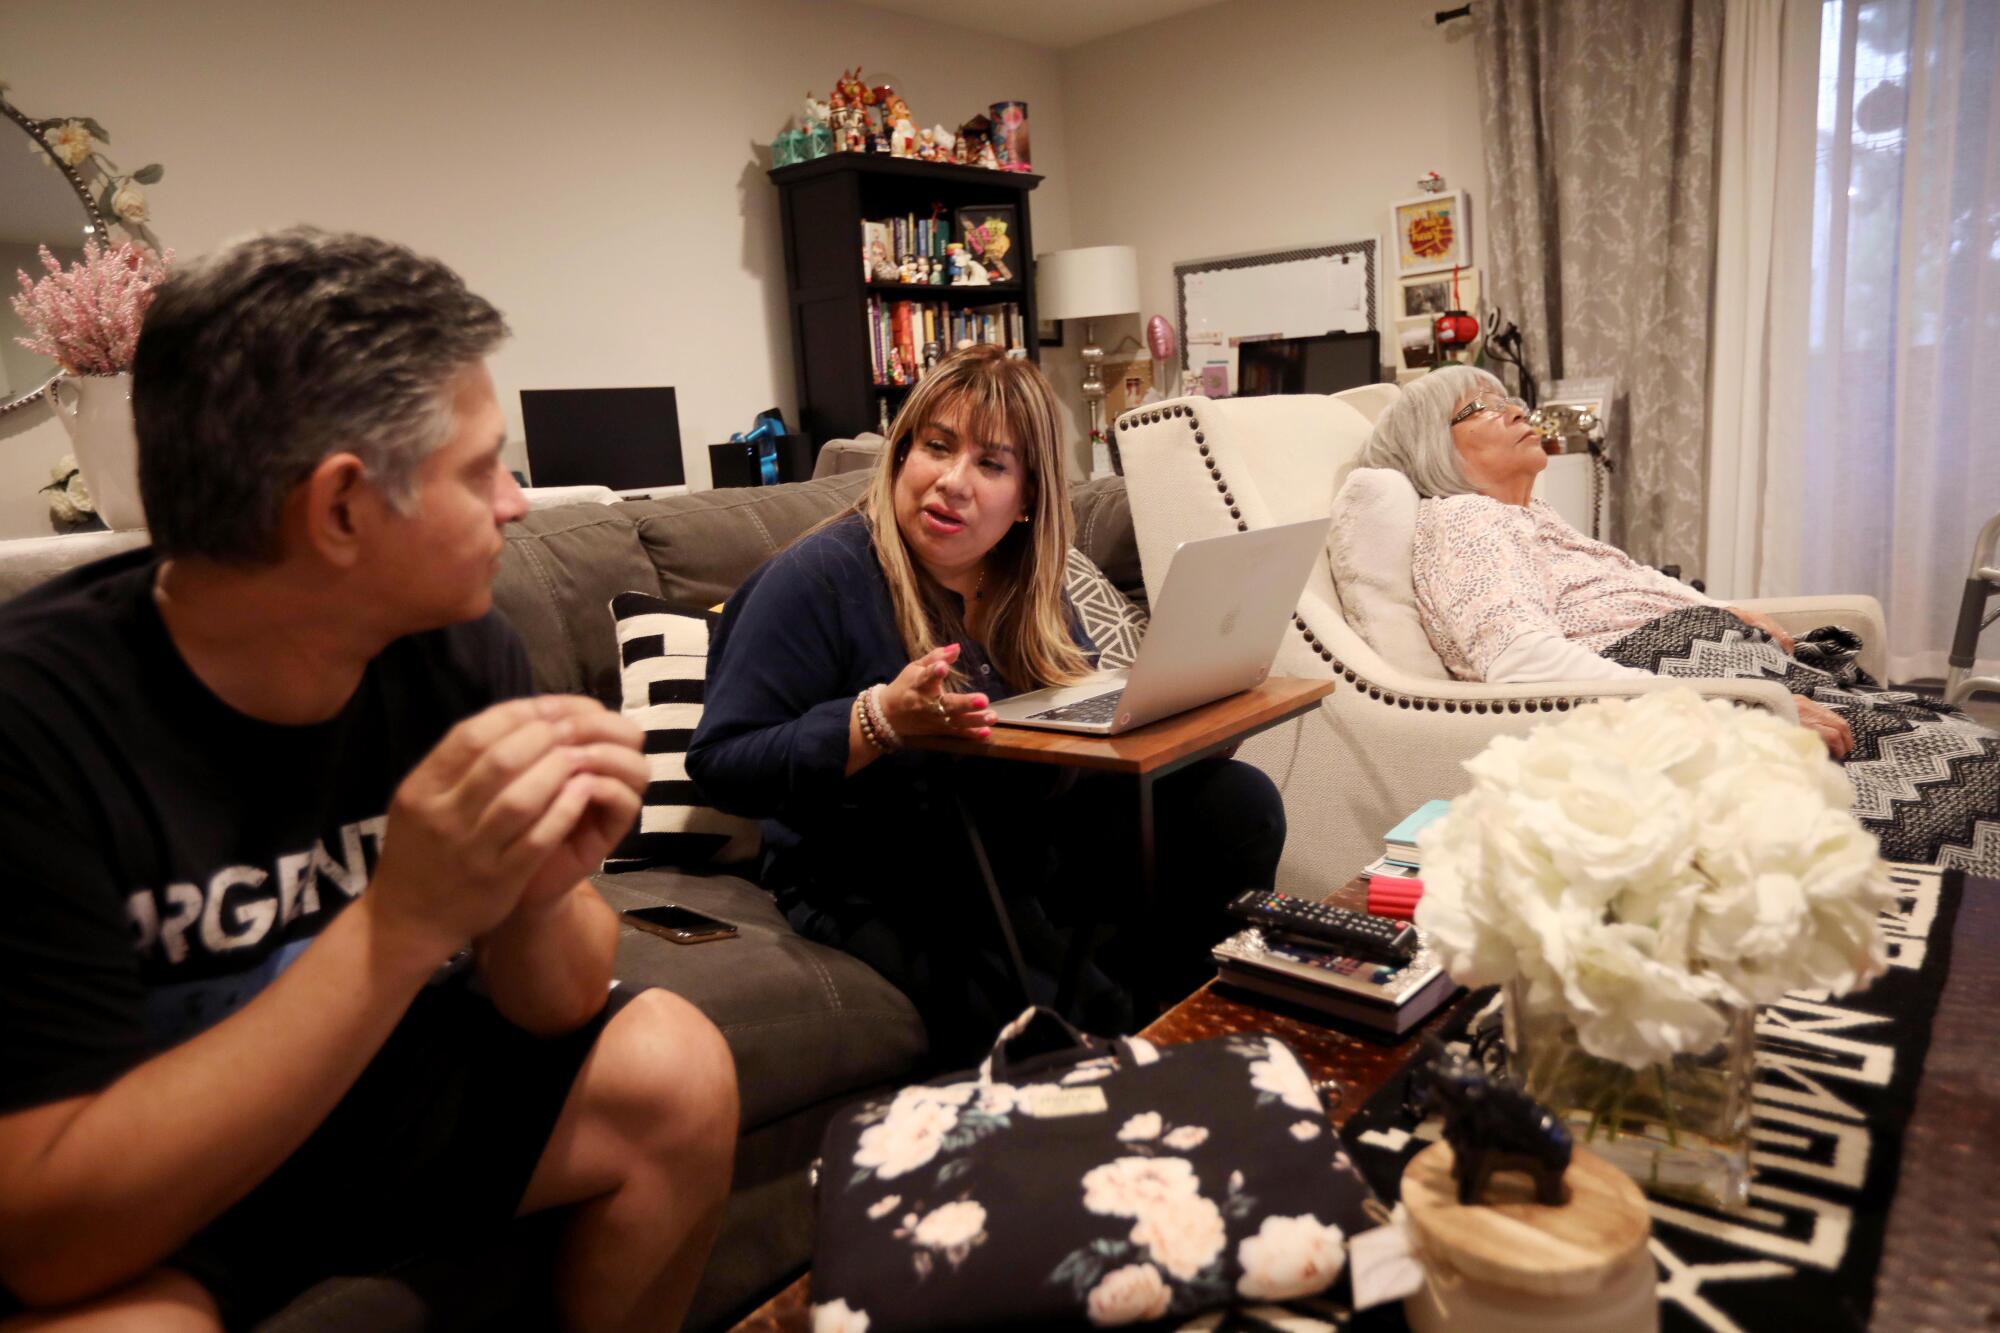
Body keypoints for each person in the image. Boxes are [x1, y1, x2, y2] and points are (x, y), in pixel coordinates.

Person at [0, 230, 737, 1331]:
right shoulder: (34, 722)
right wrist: (405, 917)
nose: (518, 503)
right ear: (340, 509)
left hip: (382, 1089)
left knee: (677, 1066)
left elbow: (558, 1002)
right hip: (159, 1148)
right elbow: (46, 1244)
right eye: (482, 467)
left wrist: (538, 879)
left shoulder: (455, 645)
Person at [687, 346, 1285, 1063]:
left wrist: (1180, 732)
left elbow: (1066, 725)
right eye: (936, 448)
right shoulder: (816, 577)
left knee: (1235, 803)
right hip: (885, 866)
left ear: (1027, 497)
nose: (951, 482)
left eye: (991, 464)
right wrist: (874, 720)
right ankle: (1129, 1070)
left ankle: (1194, 1043)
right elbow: (721, 761)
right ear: (902, 454)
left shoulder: (1024, 578)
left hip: (1026, 828)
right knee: (1059, 986)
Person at [1356, 364, 1999, 873]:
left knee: (1961, 743)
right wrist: (1734, 700)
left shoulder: (1530, 519)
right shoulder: (1465, 519)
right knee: (1974, 773)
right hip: (1691, 691)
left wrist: (1723, 614)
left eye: (1508, 399)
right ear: (1432, 446)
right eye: (1481, 407)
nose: (1517, 411)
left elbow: (1630, 587)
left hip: (1732, 669)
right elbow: (1519, 659)